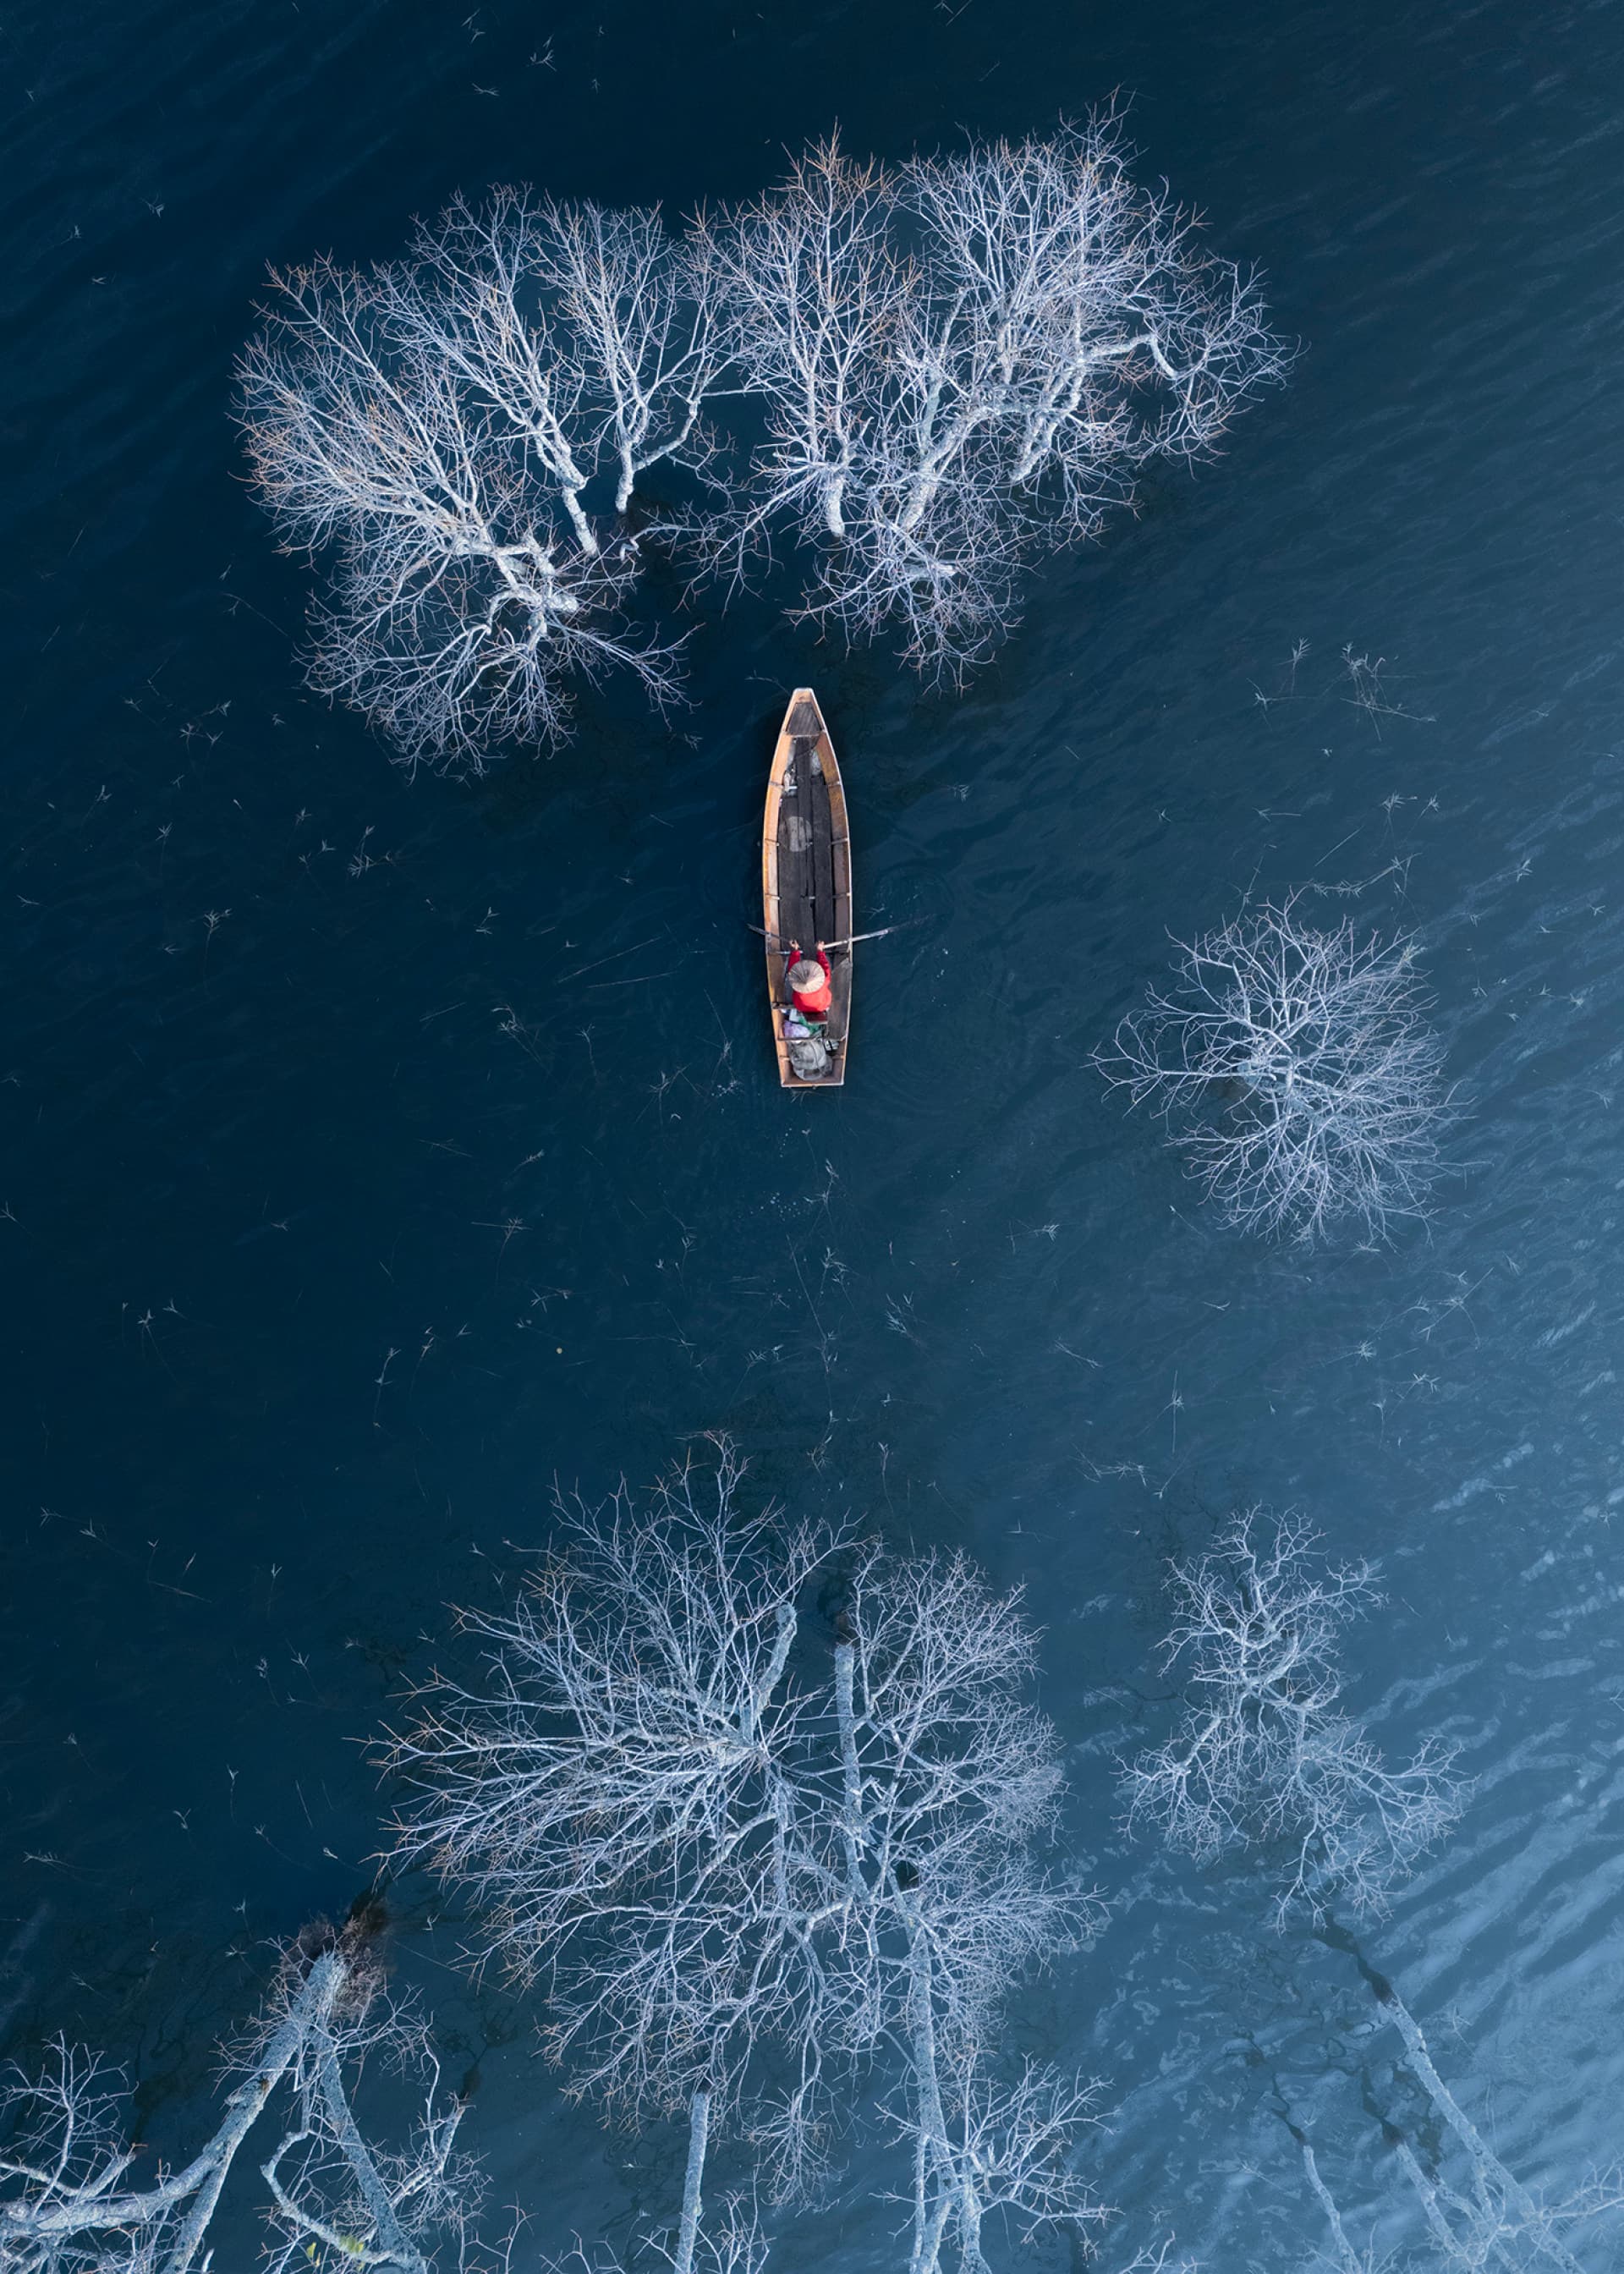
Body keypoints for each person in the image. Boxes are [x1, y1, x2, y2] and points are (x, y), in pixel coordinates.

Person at [786, 941, 831, 1028]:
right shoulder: (800, 1007)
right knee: (790, 977)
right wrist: (795, 950)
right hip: (800, 982)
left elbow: (825, 968)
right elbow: (792, 972)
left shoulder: (825, 1004)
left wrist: (820, 951)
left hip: (807, 978)